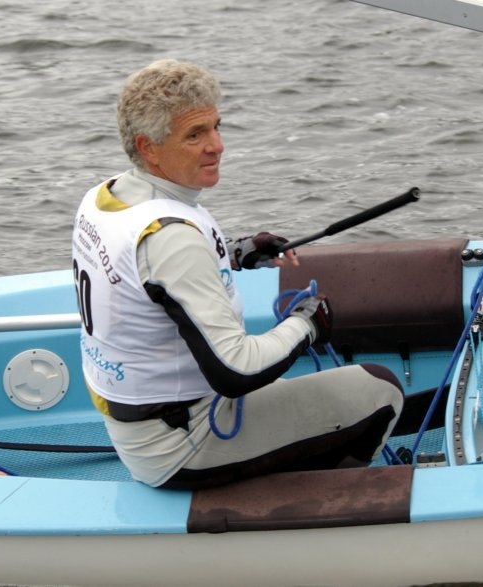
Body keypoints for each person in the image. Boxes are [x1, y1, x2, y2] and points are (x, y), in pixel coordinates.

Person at [71, 59, 404, 490]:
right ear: (148, 148)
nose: (218, 145)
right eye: (195, 135)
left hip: (143, 429)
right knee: (380, 389)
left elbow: (149, 275)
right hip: (185, 446)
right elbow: (235, 372)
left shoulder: (107, 198)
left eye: (216, 126)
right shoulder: (172, 240)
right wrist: (307, 324)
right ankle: (327, 502)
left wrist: (235, 252)